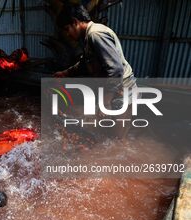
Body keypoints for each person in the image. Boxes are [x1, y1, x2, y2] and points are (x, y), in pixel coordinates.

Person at [54, 5, 137, 138]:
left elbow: (115, 70)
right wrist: (66, 73)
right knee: (112, 134)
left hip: (121, 91)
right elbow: (84, 63)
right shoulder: (89, 36)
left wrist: (105, 102)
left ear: (75, 22)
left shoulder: (95, 34)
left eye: (67, 29)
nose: (68, 35)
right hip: (119, 89)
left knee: (115, 139)